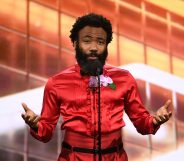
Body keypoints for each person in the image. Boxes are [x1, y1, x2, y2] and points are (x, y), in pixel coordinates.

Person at [21, 13, 172, 161]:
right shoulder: (56, 83)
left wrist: (155, 121)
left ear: (106, 45)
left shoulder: (124, 79)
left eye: (100, 42)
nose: (94, 47)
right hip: (73, 157)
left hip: (115, 157)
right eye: (87, 41)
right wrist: (36, 125)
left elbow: (141, 123)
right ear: (75, 43)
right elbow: (45, 132)